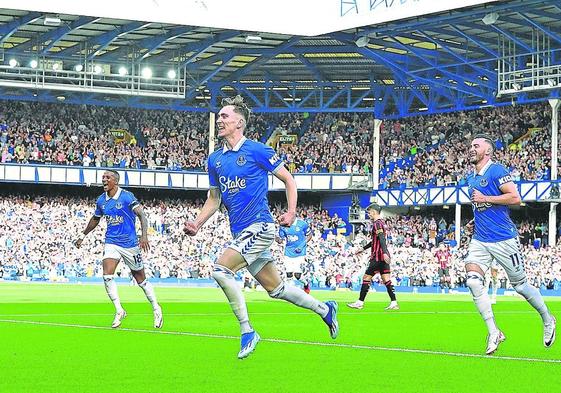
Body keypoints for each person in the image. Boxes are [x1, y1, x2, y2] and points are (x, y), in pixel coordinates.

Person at [184, 96, 338, 359]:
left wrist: (291, 212)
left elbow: (289, 180)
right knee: (277, 290)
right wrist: (197, 223)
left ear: (239, 123)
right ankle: (325, 310)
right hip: (241, 232)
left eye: (224, 116)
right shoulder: (215, 160)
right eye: (219, 117)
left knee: (221, 270)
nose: (219, 120)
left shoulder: (258, 151)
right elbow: (214, 198)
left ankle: (247, 331)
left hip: (261, 226)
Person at [465, 134, 555, 355]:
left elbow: (515, 198)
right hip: (480, 239)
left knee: (521, 286)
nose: (471, 149)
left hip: (504, 239)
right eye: (470, 146)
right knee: (473, 282)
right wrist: (473, 221)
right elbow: (482, 207)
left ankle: (547, 318)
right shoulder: (471, 179)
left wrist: (486, 198)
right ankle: (494, 331)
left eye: (476, 145)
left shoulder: (497, 171)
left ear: (487, 151)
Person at [75, 170, 163, 329]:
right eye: (103, 177)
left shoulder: (127, 196)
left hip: (129, 244)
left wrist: (144, 236)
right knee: (107, 275)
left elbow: (142, 215)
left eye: (107, 177)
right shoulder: (101, 200)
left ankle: (156, 308)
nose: (103, 179)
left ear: (115, 181)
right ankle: (119, 310)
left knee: (140, 279)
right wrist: (83, 235)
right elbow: (95, 219)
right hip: (111, 242)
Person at [347, 203, 398, 310]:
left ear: (374, 212)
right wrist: (363, 248)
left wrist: (383, 252)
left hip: (378, 256)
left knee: (366, 278)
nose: (368, 215)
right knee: (386, 280)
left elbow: (381, 238)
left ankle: (360, 302)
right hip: (383, 257)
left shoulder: (377, 224)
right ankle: (394, 302)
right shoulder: (381, 223)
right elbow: (375, 240)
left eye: (369, 212)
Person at [276, 212, 312, 290]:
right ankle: (291, 293)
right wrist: (275, 238)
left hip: (300, 252)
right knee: (288, 273)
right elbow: (281, 240)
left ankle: (305, 283)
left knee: (297, 276)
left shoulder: (302, 224)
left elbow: (309, 235)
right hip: (288, 251)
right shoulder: (282, 226)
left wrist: (302, 245)